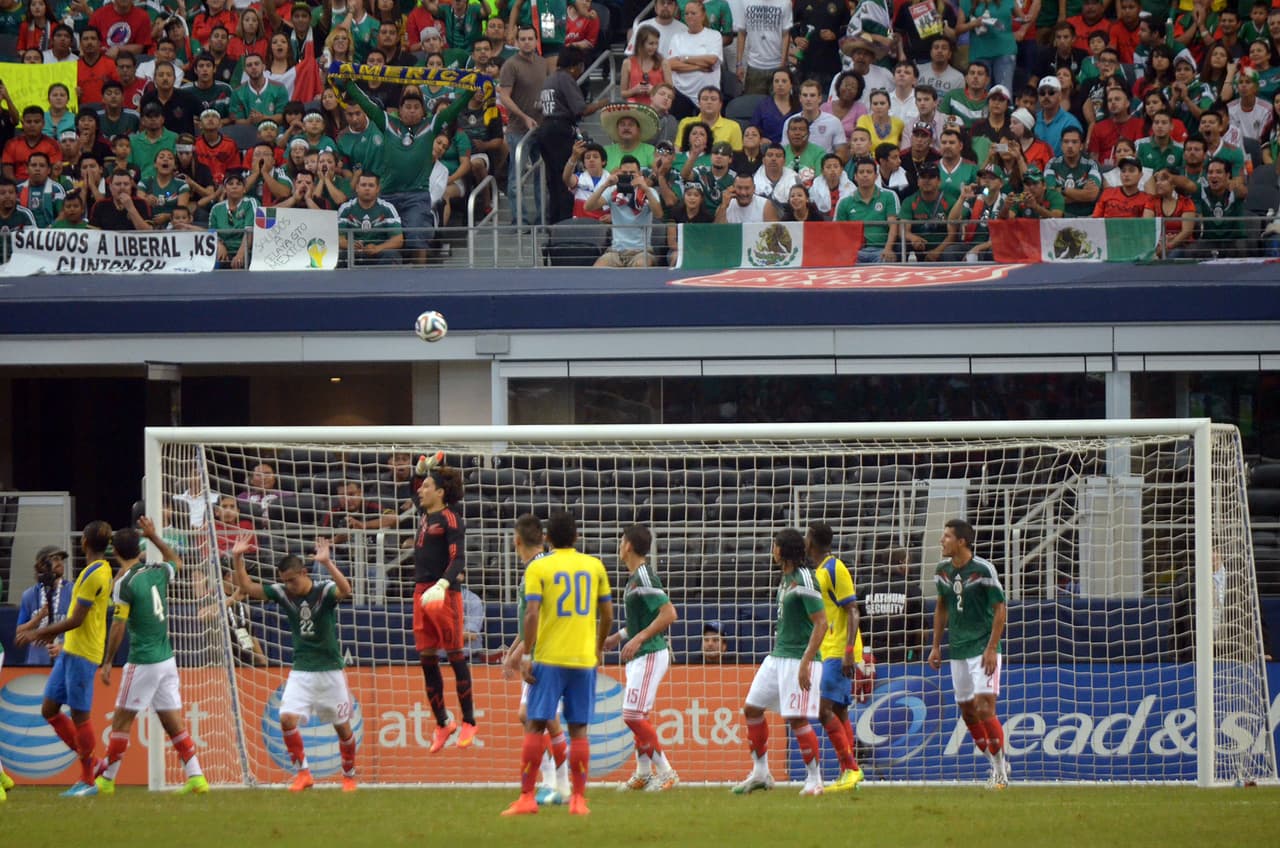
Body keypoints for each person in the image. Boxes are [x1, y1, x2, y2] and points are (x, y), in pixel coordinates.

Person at [502, 510, 612, 816]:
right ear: (577, 537)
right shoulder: (594, 565)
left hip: (548, 658)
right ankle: (577, 800)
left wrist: (525, 655)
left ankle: (527, 797)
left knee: (535, 723)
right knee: (579, 730)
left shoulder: (540, 568)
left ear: (547, 538)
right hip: (582, 658)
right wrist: (598, 647)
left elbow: (532, 614)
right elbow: (608, 615)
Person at [232, 533, 358, 791]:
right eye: (285, 581)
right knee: (287, 718)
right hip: (302, 670)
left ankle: (349, 775)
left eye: (292, 580)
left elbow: (346, 590)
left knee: (342, 728)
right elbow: (247, 587)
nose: (289, 585)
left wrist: (327, 563)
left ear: (304, 572)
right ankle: (303, 773)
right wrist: (237, 557)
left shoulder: (323, 591)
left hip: (330, 670)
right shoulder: (282, 593)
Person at [95, 517, 208, 796]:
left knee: (122, 719)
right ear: (139, 548)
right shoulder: (157, 570)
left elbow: (119, 625)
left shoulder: (124, 583)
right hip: (167, 659)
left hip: (144, 659)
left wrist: (108, 661)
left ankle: (107, 779)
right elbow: (177, 562)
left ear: (115, 552)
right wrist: (155, 536)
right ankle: (196, 777)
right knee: (172, 721)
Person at [14, 521, 113, 796]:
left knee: (80, 715)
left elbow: (77, 619)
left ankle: (87, 780)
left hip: (83, 652)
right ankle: (92, 764)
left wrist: (38, 633)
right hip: (71, 649)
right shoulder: (93, 571)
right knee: (49, 709)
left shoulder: (94, 575)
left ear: (83, 542)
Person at [733, 528, 826, 796]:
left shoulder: (804, 579)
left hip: (799, 658)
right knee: (752, 708)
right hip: (778, 656)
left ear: (784, 550)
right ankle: (761, 772)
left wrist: (806, 662)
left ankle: (815, 779)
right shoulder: (786, 579)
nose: (772, 550)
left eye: (775, 546)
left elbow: (821, 623)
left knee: (796, 719)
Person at [927, 518, 1010, 790]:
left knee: (986, 708)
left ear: (962, 541)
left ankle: (1000, 773)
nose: (942, 540)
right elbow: (942, 607)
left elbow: (1000, 610)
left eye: (947, 536)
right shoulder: (942, 571)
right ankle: (995, 761)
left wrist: (991, 649)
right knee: (967, 711)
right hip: (958, 650)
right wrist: (936, 645)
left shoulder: (984, 569)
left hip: (983, 648)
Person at [604, 524, 680, 792]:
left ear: (629, 546)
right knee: (638, 716)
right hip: (641, 654)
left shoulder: (645, 576)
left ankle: (667, 772)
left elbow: (669, 614)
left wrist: (638, 639)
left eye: (621, 540)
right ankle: (643, 773)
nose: (619, 545)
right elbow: (644, 620)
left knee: (632, 715)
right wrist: (619, 636)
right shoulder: (635, 577)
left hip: (650, 653)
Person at [503, 513, 571, 803]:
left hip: (546, 652)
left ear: (517, 541)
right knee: (538, 716)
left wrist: (521, 653)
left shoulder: (537, 570)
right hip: (544, 648)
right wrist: (514, 649)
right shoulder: (542, 566)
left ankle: (558, 781)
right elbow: (528, 618)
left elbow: (539, 615)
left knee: (538, 717)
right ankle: (555, 782)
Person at [412, 455, 477, 752]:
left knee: (454, 656)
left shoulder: (451, 518)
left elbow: (458, 558)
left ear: (440, 493)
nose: (420, 490)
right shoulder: (425, 514)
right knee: (426, 658)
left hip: (444, 593)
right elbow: (414, 487)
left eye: (426, 486)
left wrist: (443, 583)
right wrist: (425, 469)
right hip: (421, 593)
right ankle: (442, 722)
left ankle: (469, 721)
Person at [806, 521, 865, 793]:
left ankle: (851, 768)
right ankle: (848, 774)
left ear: (811, 542)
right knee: (839, 710)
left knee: (823, 709)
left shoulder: (834, 568)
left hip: (840, 650)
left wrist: (850, 652)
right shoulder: (816, 571)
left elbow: (853, 610)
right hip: (827, 649)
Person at [586, 156, 664, 267]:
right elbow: (588, 207)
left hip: (641, 252)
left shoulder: (649, 192)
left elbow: (659, 214)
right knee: (599, 268)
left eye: (632, 173)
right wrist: (605, 185)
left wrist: (645, 188)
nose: (628, 176)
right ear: (619, 173)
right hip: (615, 251)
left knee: (640, 265)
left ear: (640, 174)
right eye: (624, 173)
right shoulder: (613, 191)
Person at [860, 547, 926, 664]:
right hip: (901, 654)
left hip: (869, 654)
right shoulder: (912, 590)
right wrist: (914, 653)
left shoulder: (866, 588)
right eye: (908, 562)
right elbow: (921, 630)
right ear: (902, 563)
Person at [17, 545, 73, 666]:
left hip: (65, 660)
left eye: (61, 559)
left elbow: (83, 629)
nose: (60, 562)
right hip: (35, 662)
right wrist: (38, 618)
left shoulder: (73, 591)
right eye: (55, 559)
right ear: (41, 565)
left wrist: (64, 646)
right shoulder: (29, 595)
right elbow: (19, 632)